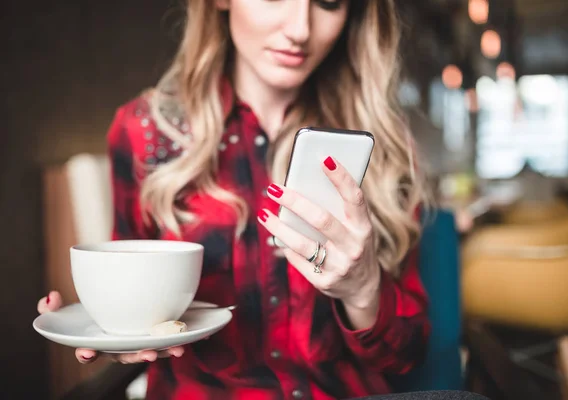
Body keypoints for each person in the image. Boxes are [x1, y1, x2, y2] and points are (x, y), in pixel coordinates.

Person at [38, 1, 435, 399]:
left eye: (328, 2)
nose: (300, 29)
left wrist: (363, 288)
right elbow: (126, 297)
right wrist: (110, 330)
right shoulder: (146, 132)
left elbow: (408, 356)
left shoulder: (382, 146)